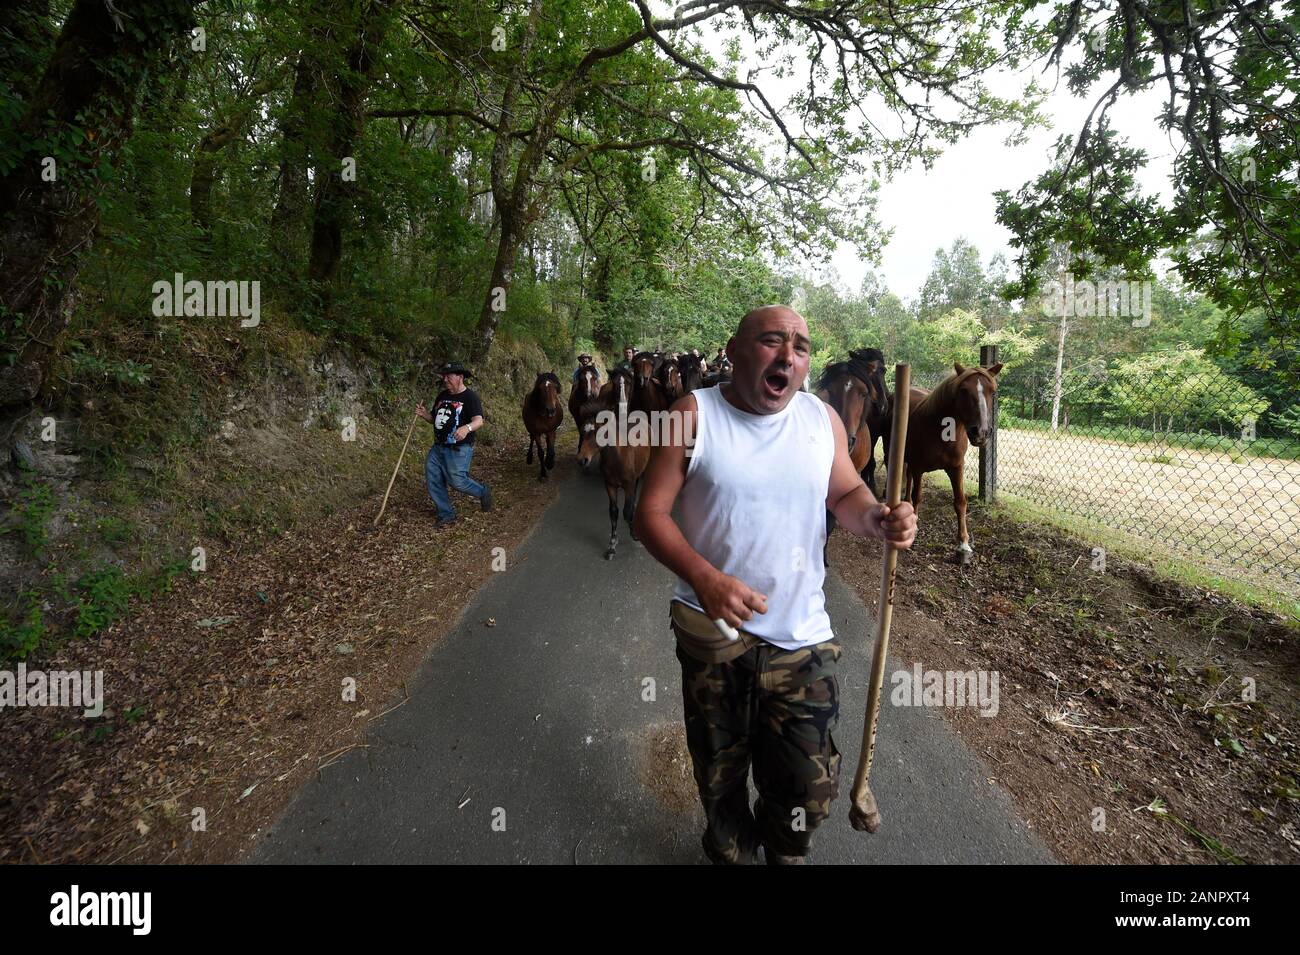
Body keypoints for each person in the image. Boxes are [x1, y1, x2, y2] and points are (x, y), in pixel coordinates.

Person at [633, 305, 917, 864]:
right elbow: (650, 514)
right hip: (713, 635)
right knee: (719, 775)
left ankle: (783, 845)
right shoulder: (693, 415)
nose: (789, 355)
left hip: (801, 636)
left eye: (801, 347)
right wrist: (706, 579)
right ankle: (732, 848)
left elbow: (845, 496)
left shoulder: (821, 421)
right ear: (735, 352)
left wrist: (880, 518)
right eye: (771, 341)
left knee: (808, 791)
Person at [416, 361, 492, 529]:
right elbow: (435, 420)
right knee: (433, 479)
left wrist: (467, 428)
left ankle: (483, 492)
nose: (445, 379)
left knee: (457, 482)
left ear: (460, 377)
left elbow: (479, 421)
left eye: (449, 376)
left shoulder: (470, 397)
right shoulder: (442, 396)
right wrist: (424, 415)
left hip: (459, 448)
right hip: (438, 447)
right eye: (444, 376)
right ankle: (446, 513)